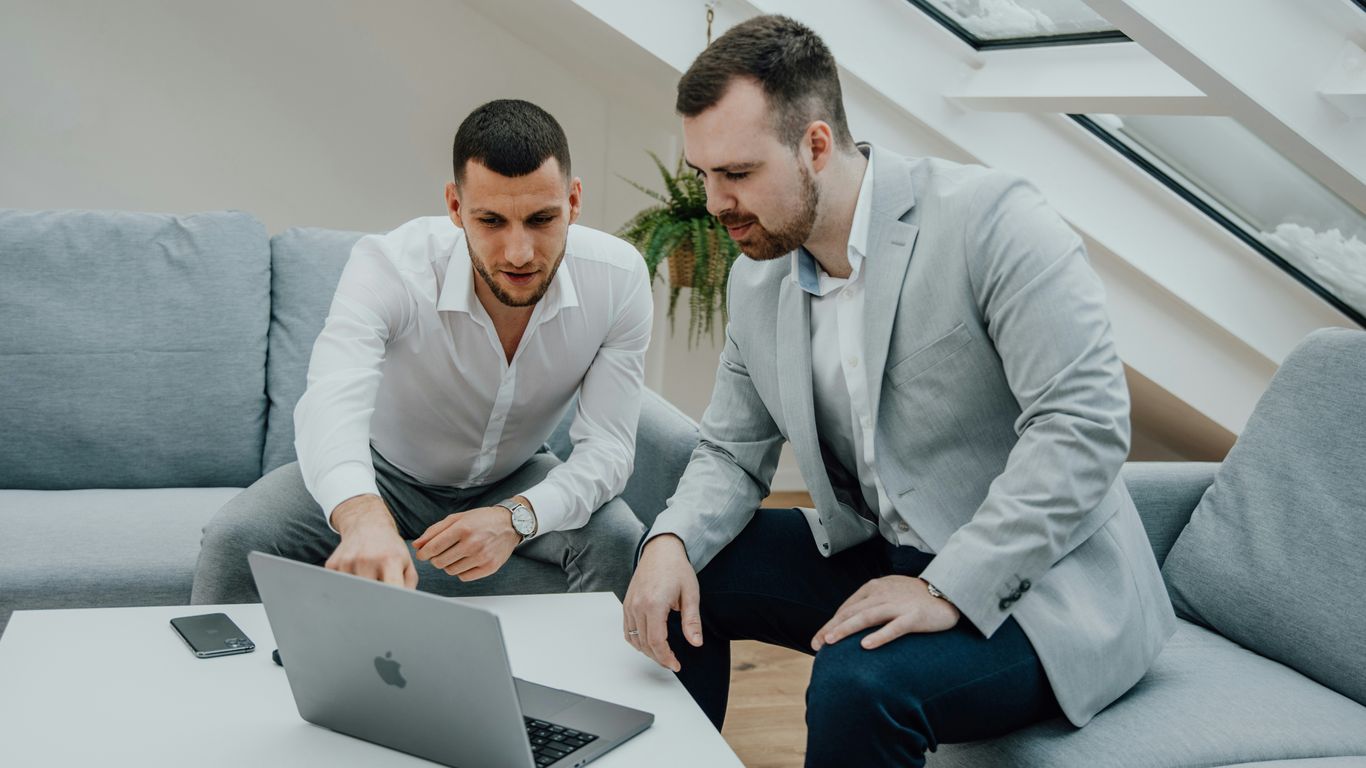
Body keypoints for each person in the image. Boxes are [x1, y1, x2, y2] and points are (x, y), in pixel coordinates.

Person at [621, 15, 1175, 767]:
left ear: (815, 145)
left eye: (739, 174)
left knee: (858, 685)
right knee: (686, 577)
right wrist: (669, 541)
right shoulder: (759, 282)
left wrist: (947, 587)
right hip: (887, 550)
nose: (716, 203)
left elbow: (1084, 427)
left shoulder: (993, 221)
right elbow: (731, 450)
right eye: (704, 175)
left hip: (1044, 588)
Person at [192, 99, 651, 604]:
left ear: (575, 201)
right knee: (235, 538)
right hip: (384, 471)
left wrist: (516, 518)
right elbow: (331, 402)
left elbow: (608, 449)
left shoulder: (619, 278)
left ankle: (588, 682)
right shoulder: (390, 267)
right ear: (455, 207)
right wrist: (362, 514)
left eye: (542, 219)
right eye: (492, 221)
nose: (519, 252)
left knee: (618, 537)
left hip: (515, 475)